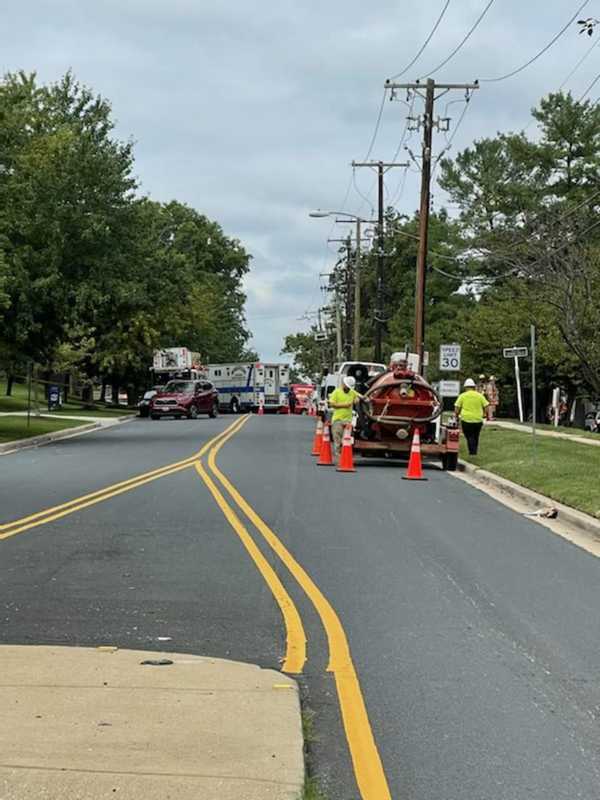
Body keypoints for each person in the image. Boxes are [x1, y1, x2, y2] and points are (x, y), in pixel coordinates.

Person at [455, 378, 491, 456]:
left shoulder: (462, 396)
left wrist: (456, 416)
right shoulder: (479, 396)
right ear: (474, 387)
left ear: (465, 387)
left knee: (469, 436)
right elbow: (487, 406)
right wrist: (486, 414)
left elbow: (457, 407)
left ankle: (472, 452)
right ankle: (474, 452)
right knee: (476, 436)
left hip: (466, 420)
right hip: (478, 419)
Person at [328, 375, 361, 457]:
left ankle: (345, 455)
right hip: (337, 420)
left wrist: (358, 399)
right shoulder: (336, 392)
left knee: (347, 439)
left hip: (348, 420)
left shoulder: (352, 392)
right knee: (337, 439)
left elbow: (359, 396)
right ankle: (339, 455)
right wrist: (344, 405)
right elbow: (332, 404)